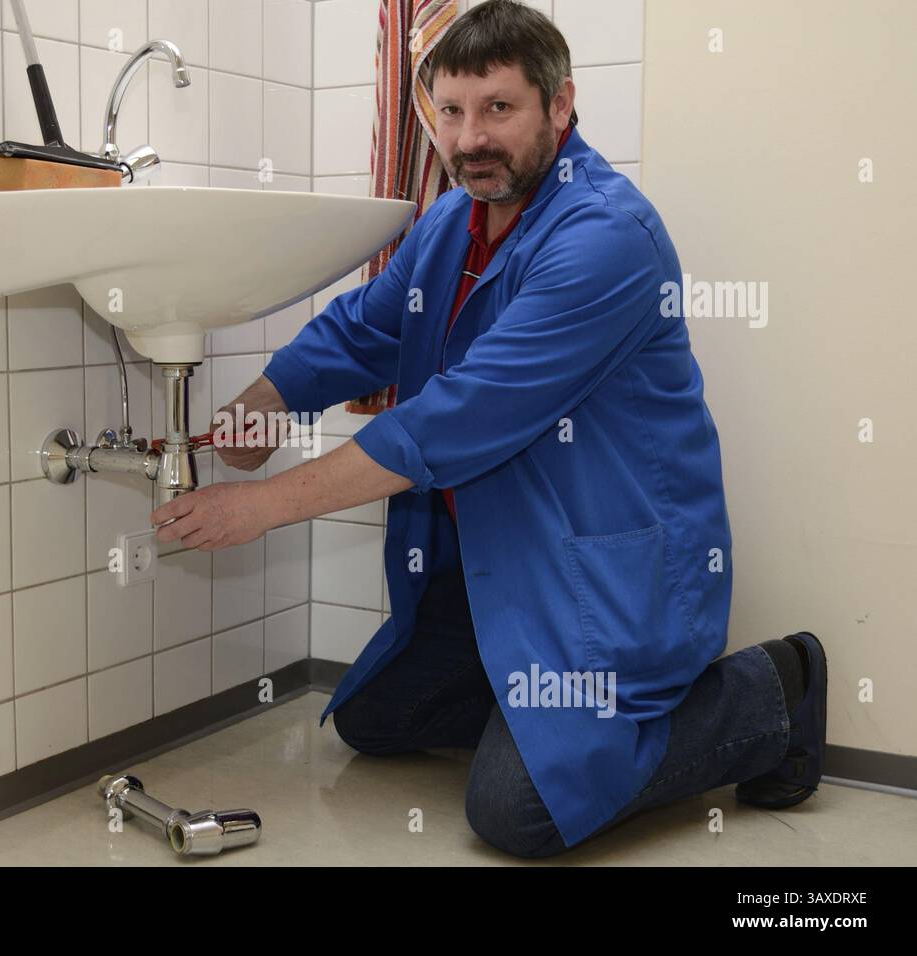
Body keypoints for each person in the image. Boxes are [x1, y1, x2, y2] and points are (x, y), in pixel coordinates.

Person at [150, 0, 827, 858]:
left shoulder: (606, 239)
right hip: (486, 574)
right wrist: (261, 403)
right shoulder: (449, 224)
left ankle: (776, 690)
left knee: (515, 814)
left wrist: (260, 507)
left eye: (499, 109)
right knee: (372, 720)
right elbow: (362, 329)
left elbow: (454, 418)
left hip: (595, 583)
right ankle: (537, 704)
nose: (470, 139)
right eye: (452, 112)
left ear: (561, 104)